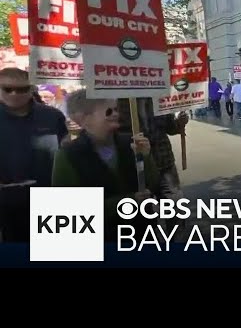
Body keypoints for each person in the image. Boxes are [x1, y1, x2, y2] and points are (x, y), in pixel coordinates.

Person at [53, 90, 159, 241]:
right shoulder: (67, 155)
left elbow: (152, 183)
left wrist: (146, 157)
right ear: (83, 118)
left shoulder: (131, 142)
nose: (115, 114)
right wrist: (126, 202)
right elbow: (68, 209)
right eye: (109, 111)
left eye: (116, 109)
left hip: (142, 234)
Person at [0, 68, 69, 242]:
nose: (15, 94)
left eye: (22, 89)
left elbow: (66, 150)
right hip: (7, 203)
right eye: (7, 89)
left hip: (52, 197)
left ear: (31, 89)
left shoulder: (52, 116)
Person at [116, 98, 188, 199]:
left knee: (174, 203)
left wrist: (180, 122)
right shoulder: (121, 102)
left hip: (164, 162)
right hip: (137, 166)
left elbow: (171, 127)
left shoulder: (159, 99)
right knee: (143, 207)